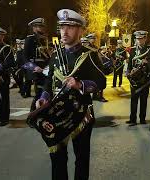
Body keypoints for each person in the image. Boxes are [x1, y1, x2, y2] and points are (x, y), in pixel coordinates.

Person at [36, 9, 106, 180]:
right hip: (57, 114)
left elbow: (101, 83)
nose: (64, 32)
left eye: (70, 27)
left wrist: (80, 84)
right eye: (62, 27)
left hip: (81, 114)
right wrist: (44, 97)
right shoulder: (56, 55)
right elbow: (49, 80)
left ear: (81, 30)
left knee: (81, 159)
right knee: (57, 159)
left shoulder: (89, 55)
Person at [23, 18, 50, 109]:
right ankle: (33, 114)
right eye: (39, 27)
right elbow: (25, 59)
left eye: (42, 26)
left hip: (44, 71)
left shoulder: (42, 40)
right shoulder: (30, 39)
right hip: (36, 72)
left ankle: (39, 114)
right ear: (34, 28)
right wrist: (34, 67)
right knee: (39, 94)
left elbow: (46, 57)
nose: (41, 29)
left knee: (44, 93)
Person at [126, 30, 150, 126]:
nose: (139, 41)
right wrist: (128, 72)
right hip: (134, 79)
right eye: (137, 39)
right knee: (134, 99)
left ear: (145, 39)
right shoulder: (132, 50)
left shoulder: (149, 49)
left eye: (141, 39)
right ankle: (133, 119)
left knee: (144, 99)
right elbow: (130, 64)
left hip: (145, 78)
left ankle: (142, 119)